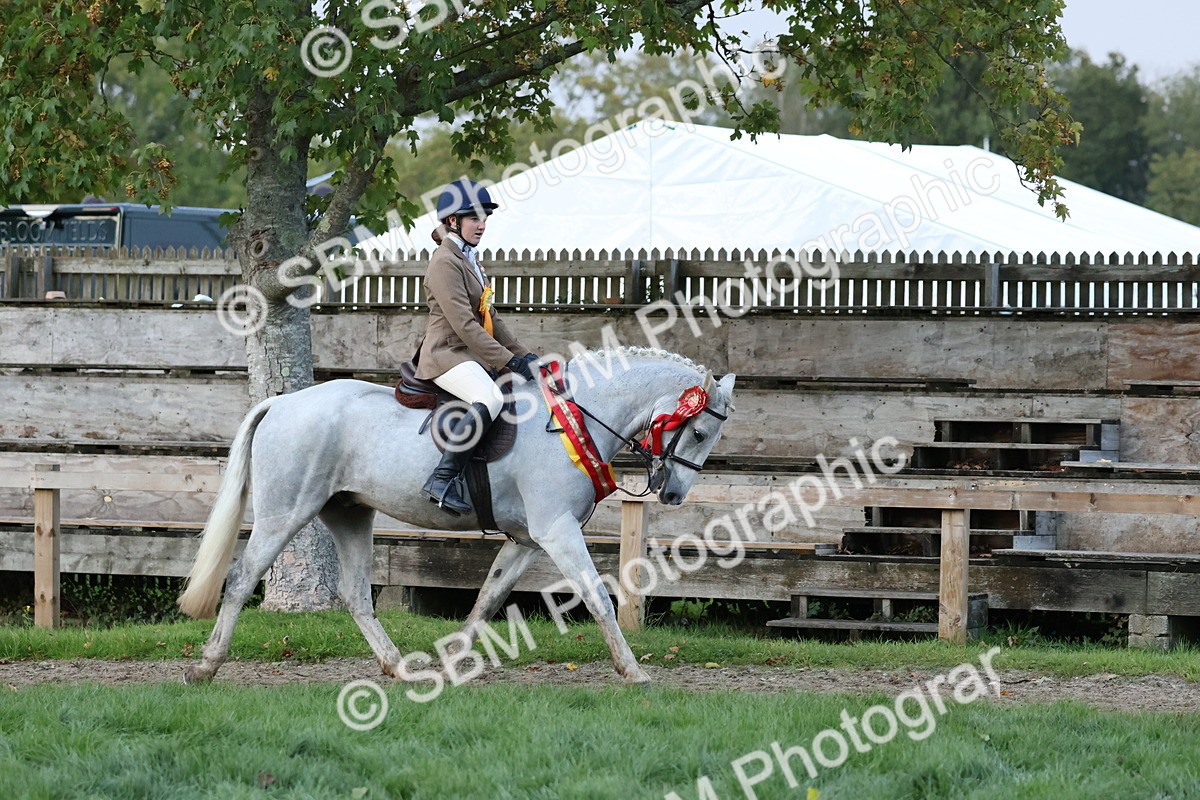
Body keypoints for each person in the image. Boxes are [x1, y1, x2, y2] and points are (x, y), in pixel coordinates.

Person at [416, 179, 539, 515]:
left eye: (485, 217)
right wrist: (509, 361)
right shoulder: (445, 261)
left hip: (469, 355)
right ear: (453, 221)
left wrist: (525, 354)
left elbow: (491, 318)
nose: (482, 224)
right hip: (446, 355)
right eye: (474, 218)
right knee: (492, 397)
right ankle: (442, 478)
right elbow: (464, 325)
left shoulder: (470, 259)